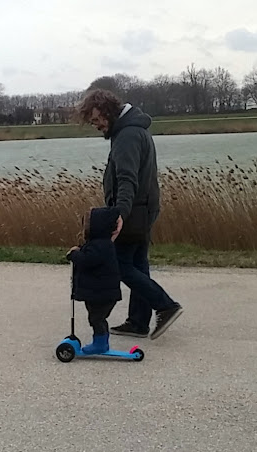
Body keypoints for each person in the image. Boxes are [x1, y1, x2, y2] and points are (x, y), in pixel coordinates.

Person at [77, 88, 183, 340]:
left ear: (106, 111)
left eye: (96, 119)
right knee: (137, 265)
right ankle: (138, 322)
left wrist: (119, 214)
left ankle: (165, 305)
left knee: (121, 265)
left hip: (134, 211)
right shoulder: (134, 129)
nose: (95, 125)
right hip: (144, 208)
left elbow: (127, 179)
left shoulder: (127, 135)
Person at [66, 207, 122, 354]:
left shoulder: (101, 245)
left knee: (97, 318)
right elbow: (88, 254)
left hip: (101, 292)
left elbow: (88, 260)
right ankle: (101, 341)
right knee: (97, 317)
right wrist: (79, 250)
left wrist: (73, 255)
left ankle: (101, 344)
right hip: (99, 291)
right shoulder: (99, 243)